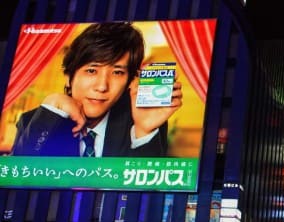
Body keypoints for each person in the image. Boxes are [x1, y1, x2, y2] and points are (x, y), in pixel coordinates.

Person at [11, 22, 181, 158]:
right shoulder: (34, 121)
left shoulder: (141, 122)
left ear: (129, 81)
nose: (102, 86)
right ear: (69, 76)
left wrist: (144, 132)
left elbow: (146, 194)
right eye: (92, 70)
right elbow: (17, 181)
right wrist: (50, 108)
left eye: (117, 72)